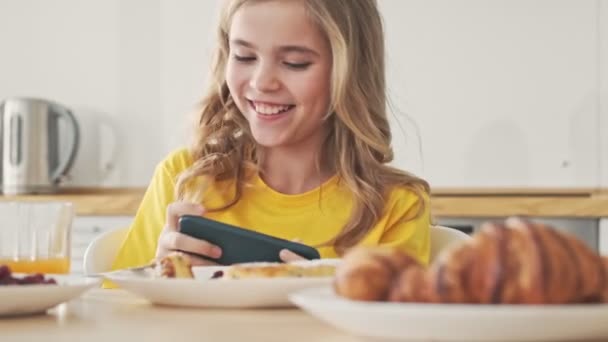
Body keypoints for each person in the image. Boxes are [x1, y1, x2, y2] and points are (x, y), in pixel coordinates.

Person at [110, 0, 431, 272]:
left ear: (349, 73)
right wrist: (157, 278)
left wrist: (320, 297)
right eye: (245, 57)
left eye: (295, 63)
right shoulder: (183, 179)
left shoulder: (396, 206)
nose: (262, 82)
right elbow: (117, 315)